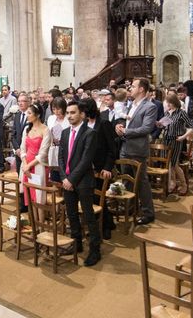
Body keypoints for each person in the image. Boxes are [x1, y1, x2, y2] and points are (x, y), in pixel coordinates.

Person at [58, 101, 102, 266]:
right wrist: (64, 177)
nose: (69, 116)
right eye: (68, 113)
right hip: (67, 181)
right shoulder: (64, 133)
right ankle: (76, 244)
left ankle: (95, 250)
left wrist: (71, 179)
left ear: (82, 114)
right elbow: (61, 157)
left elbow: (86, 160)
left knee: (88, 216)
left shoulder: (89, 133)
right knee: (72, 214)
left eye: (73, 112)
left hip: (83, 181)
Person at [115, 78, 157, 225]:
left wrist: (126, 131)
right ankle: (130, 207)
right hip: (125, 147)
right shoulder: (131, 104)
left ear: (141, 89)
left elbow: (146, 128)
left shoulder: (149, 106)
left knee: (141, 182)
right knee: (126, 180)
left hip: (138, 149)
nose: (129, 88)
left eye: (133, 86)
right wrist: (119, 126)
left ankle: (148, 212)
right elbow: (126, 120)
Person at [84, 99, 117, 239]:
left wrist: (108, 167)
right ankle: (105, 222)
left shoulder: (103, 123)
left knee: (100, 198)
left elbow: (112, 148)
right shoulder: (84, 124)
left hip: (101, 167)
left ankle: (105, 226)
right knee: (91, 198)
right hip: (87, 168)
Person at [160, 94, 193, 196]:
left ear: (173, 102)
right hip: (166, 140)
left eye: (168, 102)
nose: (167, 104)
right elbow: (165, 126)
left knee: (174, 164)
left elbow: (192, 127)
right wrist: (160, 125)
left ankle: (184, 185)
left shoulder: (181, 113)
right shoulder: (167, 113)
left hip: (176, 140)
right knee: (168, 164)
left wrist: (183, 137)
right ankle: (173, 184)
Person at [46, 97, 69, 183]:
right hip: (54, 147)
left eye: (58, 109)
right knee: (54, 172)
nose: (56, 111)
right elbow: (48, 131)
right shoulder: (51, 118)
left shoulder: (68, 118)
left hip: (65, 147)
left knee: (64, 170)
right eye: (54, 109)